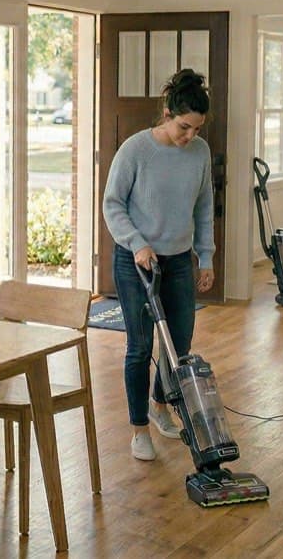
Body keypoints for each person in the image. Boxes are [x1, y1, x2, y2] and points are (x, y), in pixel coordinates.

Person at [103, 69, 215, 462]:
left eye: (197, 130)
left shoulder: (199, 154)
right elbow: (112, 204)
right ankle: (138, 430)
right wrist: (136, 243)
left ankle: (160, 407)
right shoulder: (136, 151)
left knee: (178, 345)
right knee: (140, 346)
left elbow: (204, 208)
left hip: (180, 259)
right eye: (185, 127)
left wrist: (207, 255)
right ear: (167, 113)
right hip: (137, 261)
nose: (190, 137)